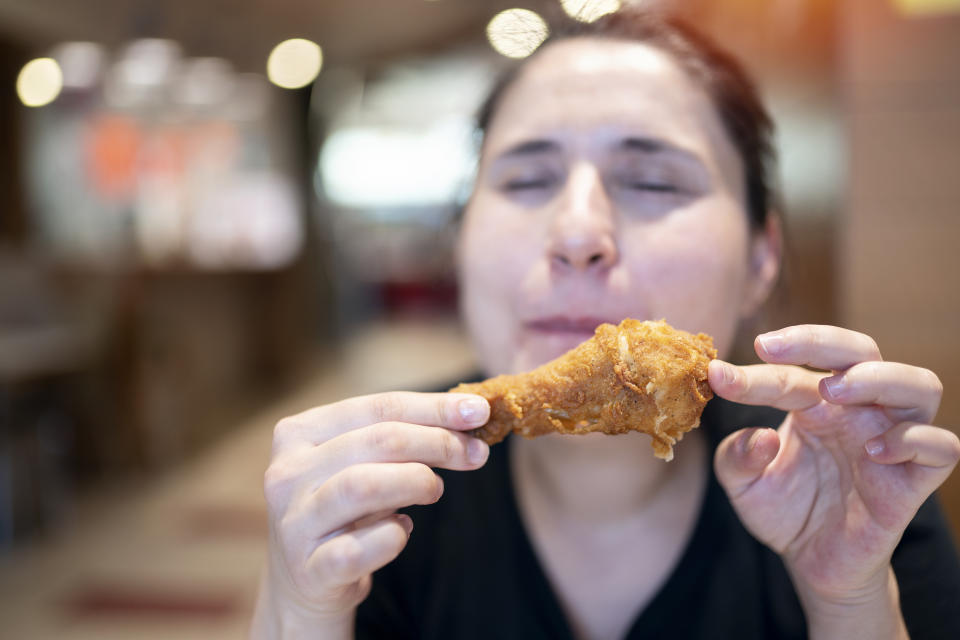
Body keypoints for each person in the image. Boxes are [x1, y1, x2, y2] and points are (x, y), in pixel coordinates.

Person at [250, 9, 960, 640]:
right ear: (460, 241)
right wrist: (301, 611)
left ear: (761, 257)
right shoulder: (383, 509)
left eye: (653, 181)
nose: (578, 230)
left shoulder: (855, 497)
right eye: (526, 181)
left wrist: (846, 602)